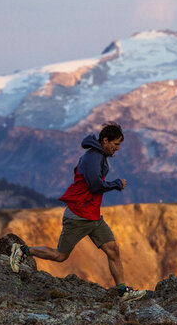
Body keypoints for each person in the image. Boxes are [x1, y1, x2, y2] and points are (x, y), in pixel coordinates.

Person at [9, 122, 146, 302]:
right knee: (60, 256)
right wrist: (116, 184)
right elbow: (95, 186)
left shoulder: (99, 155)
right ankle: (22, 250)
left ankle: (123, 292)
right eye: (116, 144)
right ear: (105, 140)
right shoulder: (92, 158)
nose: (118, 149)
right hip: (78, 216)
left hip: (93, 216)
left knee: (113, 250)